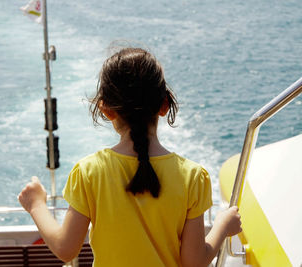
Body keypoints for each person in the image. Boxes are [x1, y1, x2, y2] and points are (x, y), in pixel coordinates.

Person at [18, 47, 242, 266]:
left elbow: (65, 250)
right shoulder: (193, 176)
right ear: (164, 105)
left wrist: (36, 204)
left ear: (106, 109)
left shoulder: (88, 171)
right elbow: (193, 263)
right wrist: (222, 225)